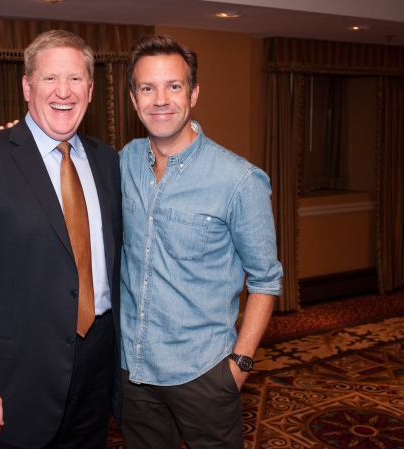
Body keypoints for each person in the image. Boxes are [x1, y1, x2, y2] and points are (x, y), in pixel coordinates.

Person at [0, 30, 122, 449]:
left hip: (97, 367)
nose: (63, 92)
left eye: (75, 80)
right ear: (26, 87)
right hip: (13, 377)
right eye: (50, 79)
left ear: (90, 90)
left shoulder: (109, 161)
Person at [118, 35, 283, 448]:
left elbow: (265, 280)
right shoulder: (121, 163)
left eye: (173, 86)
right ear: (133, 98)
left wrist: (239, 365)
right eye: (147, 88)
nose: (160, 99)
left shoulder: (238, 179)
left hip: (204, 373)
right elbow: (65, 173)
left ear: (193, 93)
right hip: (132, 372)